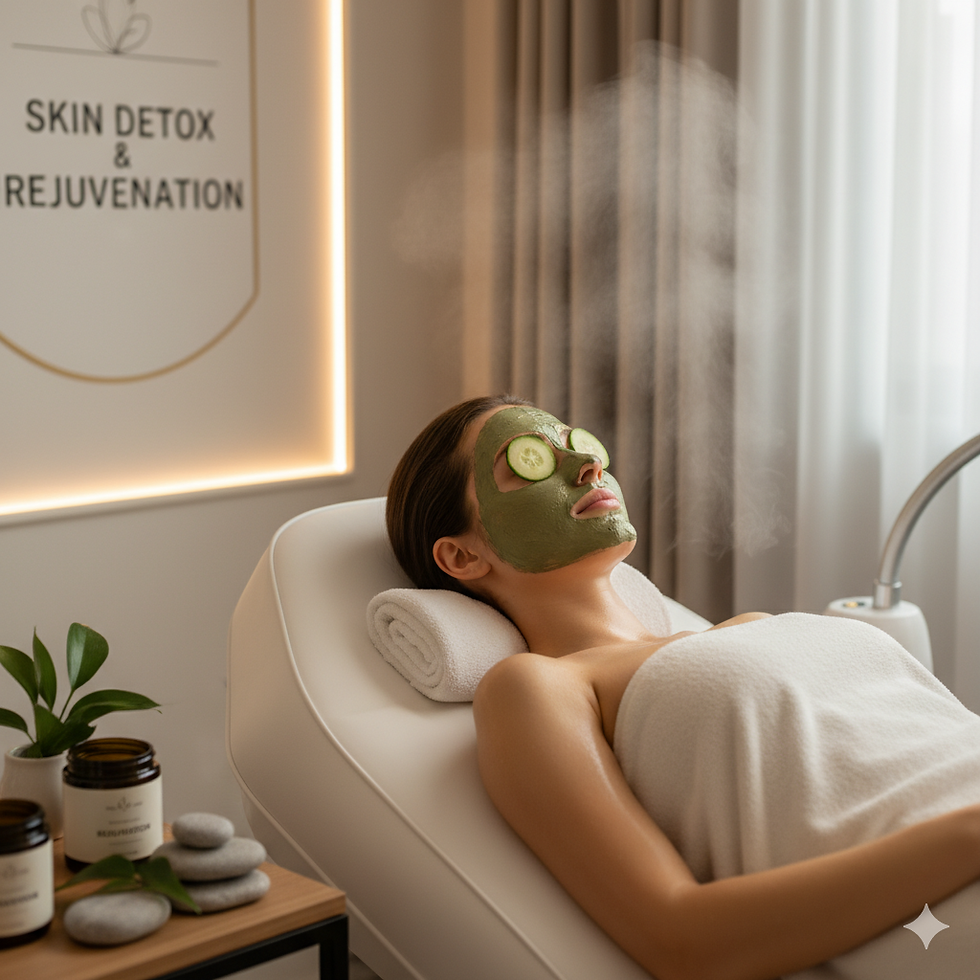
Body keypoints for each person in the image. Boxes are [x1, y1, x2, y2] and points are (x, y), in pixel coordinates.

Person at [386, 395, 980, 980]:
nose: (589, 466)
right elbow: (681, 940)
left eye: (577, 443)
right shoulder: (540, 687)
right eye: (526, 460)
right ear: (462, 556)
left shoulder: (750, 627)